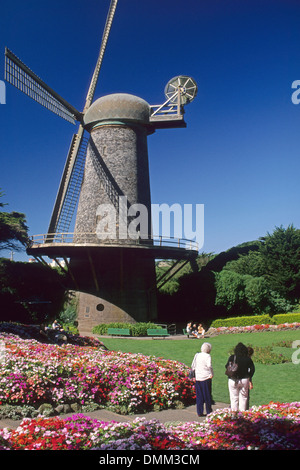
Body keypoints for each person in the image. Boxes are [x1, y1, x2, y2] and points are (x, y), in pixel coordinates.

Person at [225, 342, 255, 412]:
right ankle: (242, 414)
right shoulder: (247, 359)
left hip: (233, 379)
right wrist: (249, 376)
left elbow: (226, 366)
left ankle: (234, 414)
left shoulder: (232, 357)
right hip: (244, 379)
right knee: (243, 398)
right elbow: (252, 369)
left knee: (234, 398)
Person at [191, 342, 214, 417]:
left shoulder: (197, 355)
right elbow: (209, 365)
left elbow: (193, 366)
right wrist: (211, 373)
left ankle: (199, 411)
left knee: (199, 395)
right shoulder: (207, 356)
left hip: (198, 377)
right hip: (206, 377)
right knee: (207, 395)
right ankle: (208, 411)